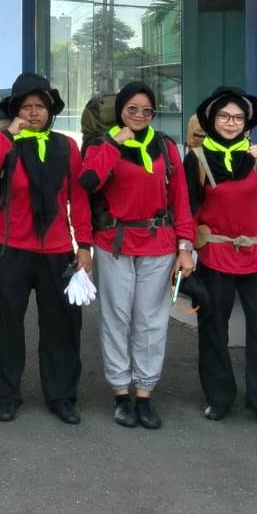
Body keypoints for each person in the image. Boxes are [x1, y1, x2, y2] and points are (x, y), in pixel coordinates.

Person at [0, 73, 92, 425]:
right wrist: (9, 134)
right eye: (26, 107)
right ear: (16, 111)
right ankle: (5, 394)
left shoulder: (66, 147)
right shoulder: (6, 143)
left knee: (62, 327)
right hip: (10, 248)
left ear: (50, 111)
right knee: (6, 323)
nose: (34, 112)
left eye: (40, 106)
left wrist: (84, 245)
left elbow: (79, 198)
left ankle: (61, 396)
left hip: (57, 250)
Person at [183, 87, 257, 432]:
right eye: (224, 116)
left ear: (247, 123)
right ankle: (219, 398)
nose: (231, 122)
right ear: (212, 120)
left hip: (255, 257)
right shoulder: (197, 159)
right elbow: (187, 209)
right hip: (215, 256)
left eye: (238, 117)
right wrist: (185, 250)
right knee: (213, 328)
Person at [79, 81, 194, 429]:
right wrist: (115, 143)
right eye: (132, 109)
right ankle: (120, 393)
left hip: (158, 243)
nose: (140, 115)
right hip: (114, 243)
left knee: (151, 320)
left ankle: (144, 393)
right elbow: (88, 182)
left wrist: (185, 247)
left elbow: (181, 199)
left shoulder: (165, 146)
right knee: (116, 319)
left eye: (147, 110)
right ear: (120, 110)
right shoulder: (102, 144)